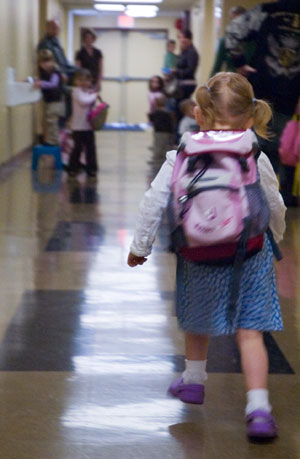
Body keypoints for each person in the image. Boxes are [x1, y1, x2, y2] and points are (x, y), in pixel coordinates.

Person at [127, 72, 286, 440]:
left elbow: (153, 202)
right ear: (250, 118)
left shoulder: (181, 153)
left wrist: (140, 247)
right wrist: (275, 237)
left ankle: (194, 380)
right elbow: (274, 202)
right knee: (250, 335)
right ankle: (259, 410)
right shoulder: (253, 152)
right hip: (249, 252)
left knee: (197, 317)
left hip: (198, 249)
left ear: (199, 115)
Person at [225, 0, 300, 206]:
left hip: (261, 87)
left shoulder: (266, 11)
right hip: (290, 92)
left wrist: (239, 63)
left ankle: (254, 192)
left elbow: (233, 31)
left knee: (257, 143)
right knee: (284, 147)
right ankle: (280, 195)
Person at [68, 69, 98, 178]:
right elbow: (83, 101)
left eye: (87, 80)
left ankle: (92, 169)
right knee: (77, 148)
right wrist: (94, 96)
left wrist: (92, 95)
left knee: (91, 149)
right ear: (76, 81)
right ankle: (72, 168)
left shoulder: (88, 92)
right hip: (78, 127)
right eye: (81, 80)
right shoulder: (76, 91)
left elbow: (89, 103)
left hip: (88, 126)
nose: (84, 83)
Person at [210, 6, 255, 76]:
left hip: (252, 83)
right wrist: (209, 86)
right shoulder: (225, 41)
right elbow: (216, 67)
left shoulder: (254, 41)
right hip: (232, 82)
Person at [34, 50, 64, 146]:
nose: (45, 64)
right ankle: (52, 139)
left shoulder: (55, 72)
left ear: (52, 61)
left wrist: (41, 83)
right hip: (50, 102)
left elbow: (53, 84)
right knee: (49, 121)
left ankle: (54, 141)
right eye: (43, 62)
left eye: (48, 61)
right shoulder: (44, 73)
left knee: (52, 121)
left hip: (55, 102)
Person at [148, 95, 174, 165]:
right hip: (166, 132)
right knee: (165, 145)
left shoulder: (155, 112)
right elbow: (170, 123)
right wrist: (171, 132)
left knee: (158, 145)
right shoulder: (167, 113)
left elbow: (151, 119)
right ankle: (164, 158)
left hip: (158, 132)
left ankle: (156, 158)